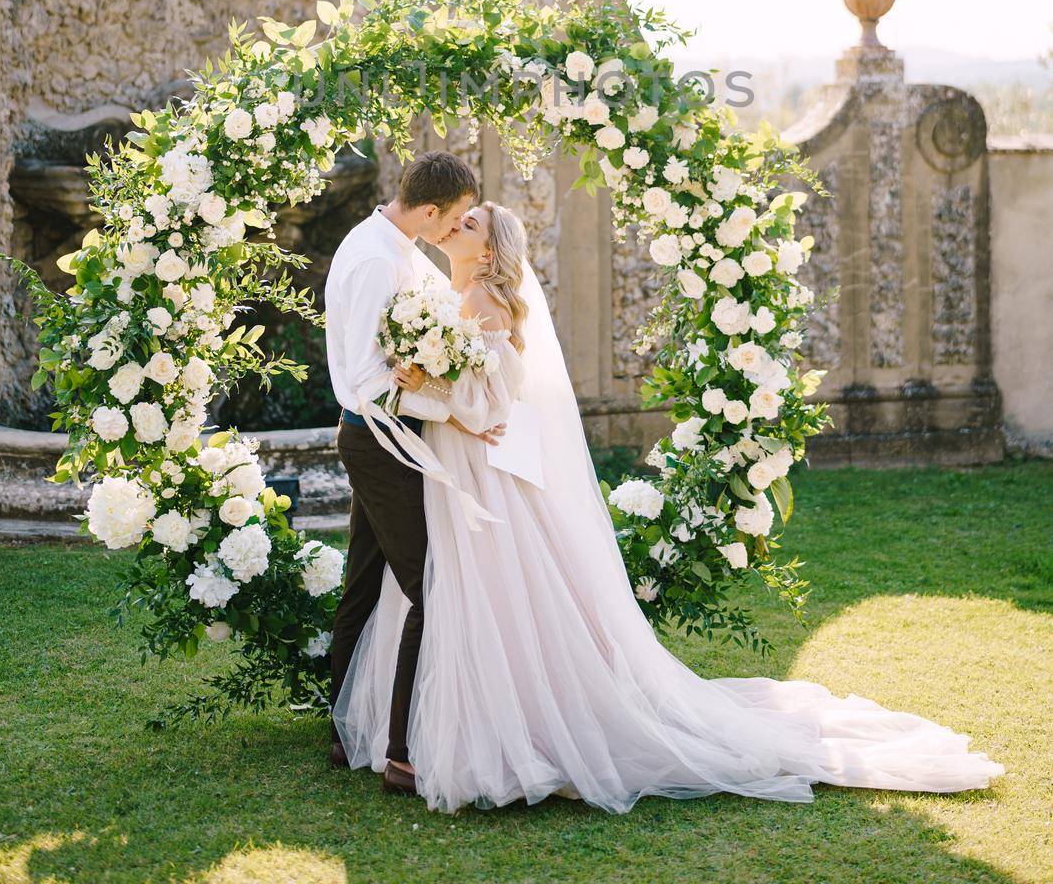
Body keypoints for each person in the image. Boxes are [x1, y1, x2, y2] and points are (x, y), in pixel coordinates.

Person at [333, 201, 1006, 814]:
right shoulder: (449, 294)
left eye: (472, 224)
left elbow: (482, 407)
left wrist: (416, 388)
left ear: (488, 251)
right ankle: (438, 727)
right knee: (453, 586)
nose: (457, 226)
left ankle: (495, 728)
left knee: (476, 588)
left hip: (476, 470)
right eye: (458, 218)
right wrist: (419, 379)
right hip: (456, 468)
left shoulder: (479, 300)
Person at [325, 149, 500, 795]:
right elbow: (368, 375)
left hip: (384, 433)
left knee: (364, 585)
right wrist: (438, 393)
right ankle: (401, 752)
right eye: (450, 219)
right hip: (380, 436)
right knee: (430, 588)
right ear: (429, 209)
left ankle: (346, 734)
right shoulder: (377, 258)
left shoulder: (395, 247)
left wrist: (439, 389)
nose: (451, 230)